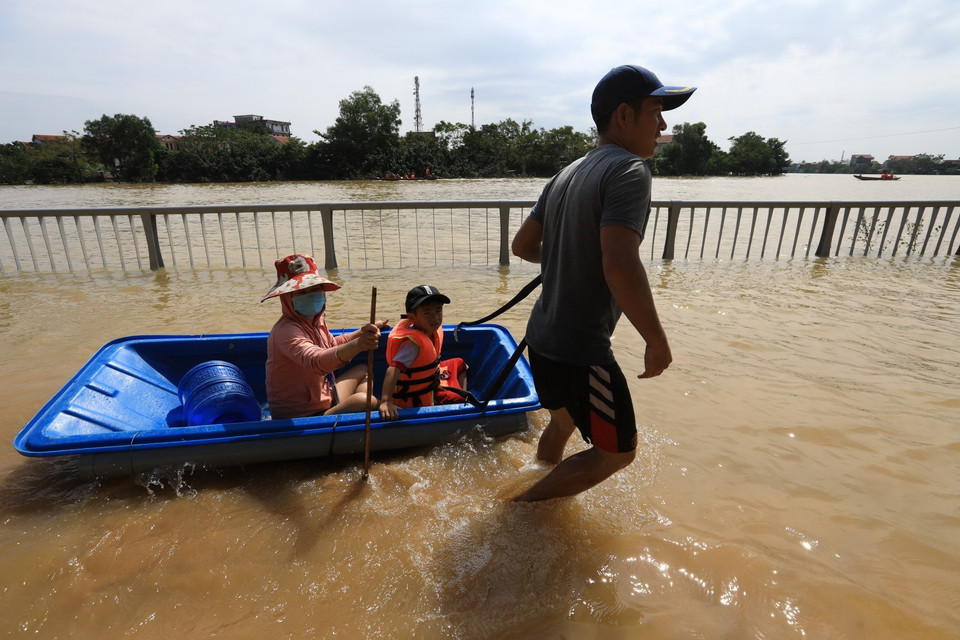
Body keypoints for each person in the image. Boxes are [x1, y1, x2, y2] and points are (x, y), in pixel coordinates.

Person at [509, 65, 695, 502]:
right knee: (617, 454)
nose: (663, 124)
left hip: (541, 337)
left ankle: (535, 480)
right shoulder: (629, 170)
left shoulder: (569, 170)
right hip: (579, 349)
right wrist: (657, 340)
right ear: (625, 116)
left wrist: (570, 256)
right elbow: (620, 265)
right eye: (656, 112)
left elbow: (523, 245)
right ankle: (516, 514)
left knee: (562, 423)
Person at [262, 253, 389, 419]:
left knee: (363, 371)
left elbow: (330, 345)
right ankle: (391, 411)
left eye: (315, 289)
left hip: (325, 397)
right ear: (287, 298)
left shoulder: (315, 320)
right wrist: (359, 344)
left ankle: (361, 417)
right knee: (362, 400)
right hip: (303, 416)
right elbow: (317, 361)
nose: (311, 295)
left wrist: (362, 332)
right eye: (302, 292)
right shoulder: (286, 331)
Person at [379, 285, 468, 420]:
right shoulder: (412, 345)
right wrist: (386, 402)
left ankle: (460, 394)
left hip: (431, 382)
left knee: (460, 363)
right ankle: (463, 403)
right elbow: (393, 369)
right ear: (412, 317)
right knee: (461, 398)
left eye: (438, 311)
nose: (435, 318)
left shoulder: (430, 332)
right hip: (415, 398)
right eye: (427, 313)